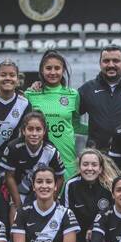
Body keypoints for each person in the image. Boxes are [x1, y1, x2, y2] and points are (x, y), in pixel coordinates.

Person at [25, 49, 85, 178]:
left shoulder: (73, 95)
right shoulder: (31, 94)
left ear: (63, 70)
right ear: (42, 70)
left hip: (67, 159)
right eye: (48, 68)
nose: (53, 72)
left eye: (57, 68)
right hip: (38, 160)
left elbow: (76, 125)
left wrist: (104, 130)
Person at [0, 112, 65, 225]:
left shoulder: (51, 151)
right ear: (23, 131)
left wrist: (52, 197)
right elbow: (9, 176)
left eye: (38, 129)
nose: (34, 133)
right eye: (30, 129)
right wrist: (18, 203)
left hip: (42, 191)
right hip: (20, 190)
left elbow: (60, 177)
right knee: (15, 209)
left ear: (44, 131)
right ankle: (13, 239)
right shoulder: (13, 147)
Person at [61, 148, 118, 242]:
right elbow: (66, 216)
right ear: (79, 167)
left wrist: (94, 227)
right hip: (77, 236)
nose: (89, 168)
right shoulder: (71, 185)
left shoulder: (109, 187)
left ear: (100, 168)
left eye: (94, 165)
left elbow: (113, 216)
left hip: (100, 236)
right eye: (85, 164)